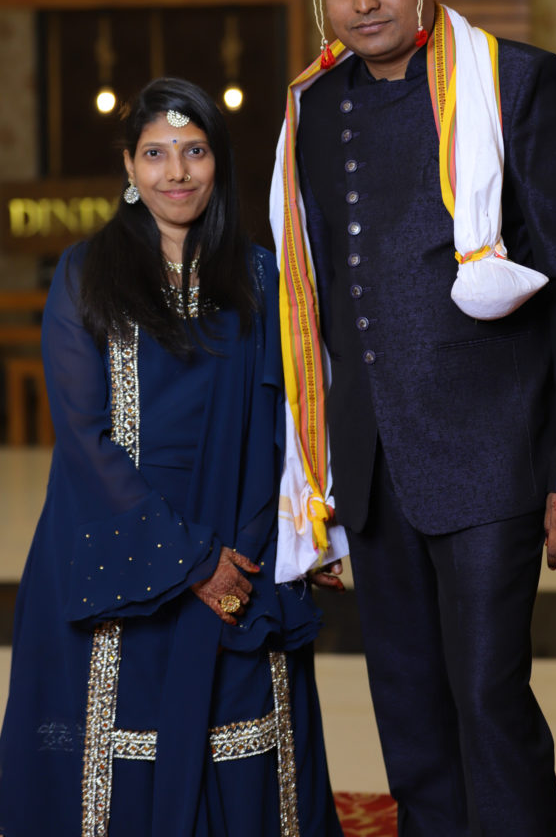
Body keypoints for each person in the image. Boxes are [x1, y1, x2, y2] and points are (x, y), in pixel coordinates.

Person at [269, 0, 556, 836]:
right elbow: (309, 294)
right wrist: (310, 480)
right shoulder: (313, 107)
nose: (363, 3)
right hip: (371, 465)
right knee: (409, 710)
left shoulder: (518, 83)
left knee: (489, 698)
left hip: (492, 453)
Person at [0, 78, 343, 837]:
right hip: (117, 537)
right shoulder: (85, 273)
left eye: (194, 151)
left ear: (219, 162)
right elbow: (83, 438)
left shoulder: (260, 277)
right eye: (155, 154)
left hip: (243, 543)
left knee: (242, 727)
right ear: (129, 166)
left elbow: (287, 422)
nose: (176, 172)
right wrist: (191, 561)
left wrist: (265, 543)